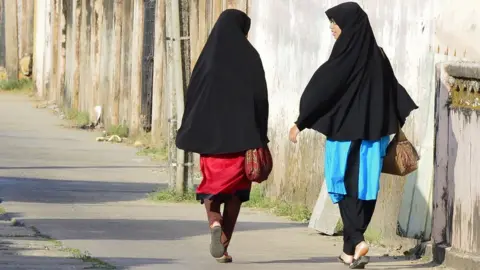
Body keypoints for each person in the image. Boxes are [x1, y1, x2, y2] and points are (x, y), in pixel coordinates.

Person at [288, 2, 418, 269]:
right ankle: (350, 252)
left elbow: (321, 90)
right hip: (373, 137)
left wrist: (301, 122)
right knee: (366, 188)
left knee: (342, 184)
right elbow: (394, 93)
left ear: (350, 26)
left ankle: (357, 240)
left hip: (345, 137)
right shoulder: (378, 57)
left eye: (335, 24)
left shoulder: (343, 58)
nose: (332, 29)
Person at [176, 9, 269, 263]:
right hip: (243, 144)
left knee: (212, 191)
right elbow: (261, 100)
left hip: (211, 145)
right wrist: (261, 135)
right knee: (236, 195)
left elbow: (193, 97)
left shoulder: (208, 59)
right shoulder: (251, 58)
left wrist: (191, 131)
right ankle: (224, 245)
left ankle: (214, 224)